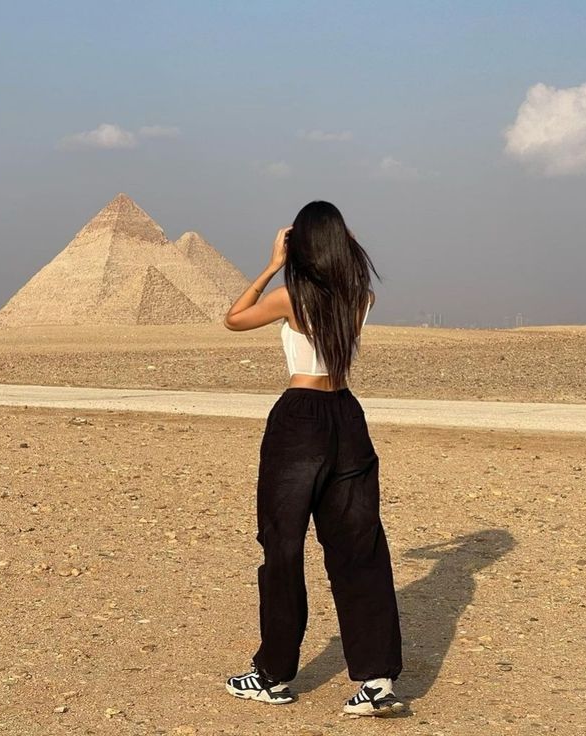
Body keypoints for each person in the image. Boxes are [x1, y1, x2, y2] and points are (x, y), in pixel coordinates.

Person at [222, 200, 404, 717]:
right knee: (359, 547)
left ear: (299, 245)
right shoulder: (361, 297)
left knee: (282, 545)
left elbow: (233, 319)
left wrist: (271, 264)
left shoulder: (288, 298)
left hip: (299, 420)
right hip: (347, 417)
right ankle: (375, 679)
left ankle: (272, 673)